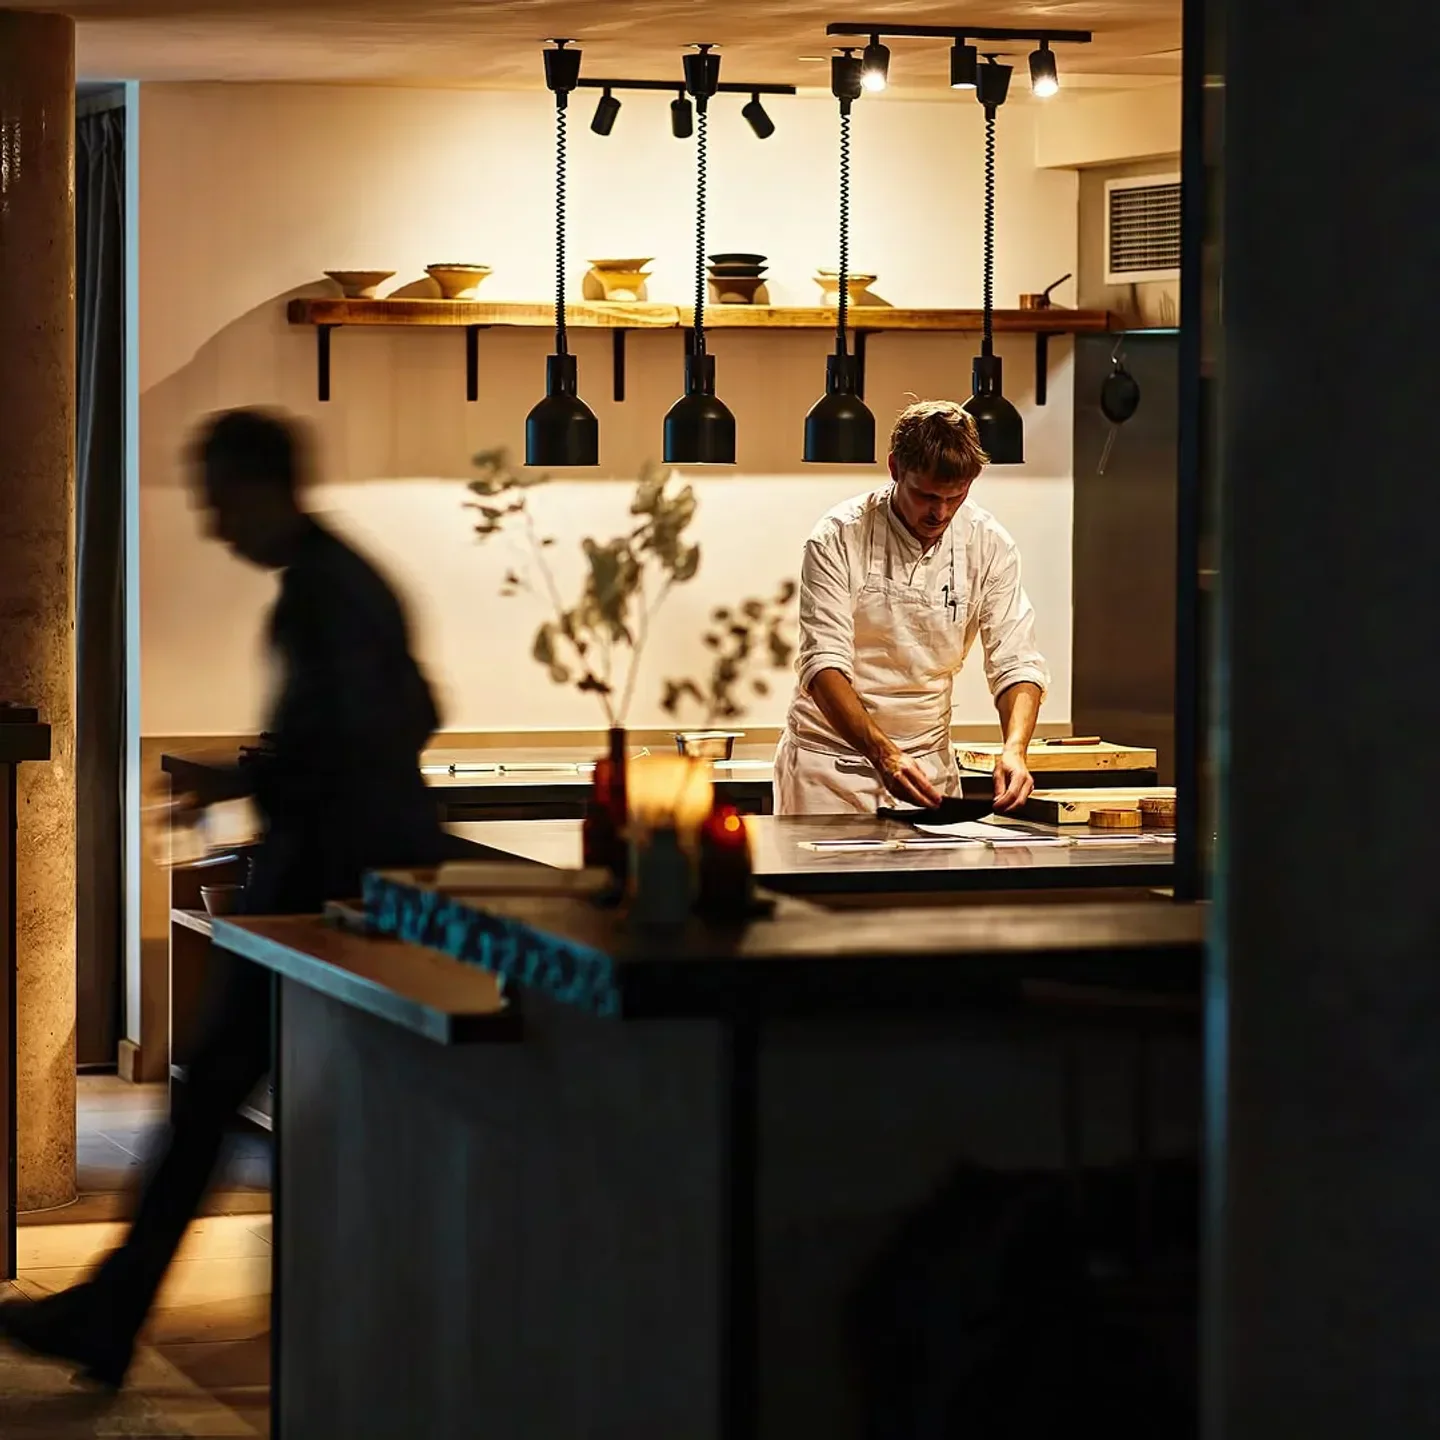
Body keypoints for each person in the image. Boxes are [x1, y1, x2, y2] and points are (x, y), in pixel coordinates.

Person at [0, 408, 448, 1389]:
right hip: (341, 887)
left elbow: (361, 738)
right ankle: (128, 1316)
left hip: (329, 893)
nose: (209, 523)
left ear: (260, 486)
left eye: (215, 498)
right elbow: (409, 713)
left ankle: (131, 1318)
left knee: (223, 1103)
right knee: (237, 1103)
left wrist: (241, 784)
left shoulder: (322, 592)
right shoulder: (336, 582)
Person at [774, 400, 1050, 815]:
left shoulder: (989, 543)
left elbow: (1016, 662)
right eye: (925, 496)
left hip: (929, 767)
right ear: (895, 469)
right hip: (828, 772)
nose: (939, 512)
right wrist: (883, 753)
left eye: (955, 497)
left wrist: (1014, 749)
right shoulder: (838, 536)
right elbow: (822, 664)